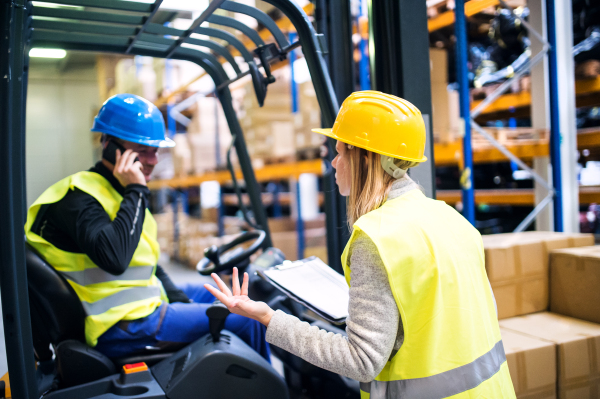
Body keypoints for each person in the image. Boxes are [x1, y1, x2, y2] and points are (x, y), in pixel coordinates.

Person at [205, 91, 516, 398]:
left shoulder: (376, 238)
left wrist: (267, 317)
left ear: (364, 158)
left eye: (340, 152)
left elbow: (362, 361)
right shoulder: (450, 218)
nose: (334, 162)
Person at [24, 93, 270, 361]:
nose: (153, 160)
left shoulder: (119, 193)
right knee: (251, 319)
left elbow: (148, 266)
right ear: (109, 147)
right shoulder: (79, 198)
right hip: (118, 325)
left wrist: (184, 304)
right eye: (142, 152)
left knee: (228, 297)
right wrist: (138, 189)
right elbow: (115, 259)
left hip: (139, 307)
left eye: (155, 151)